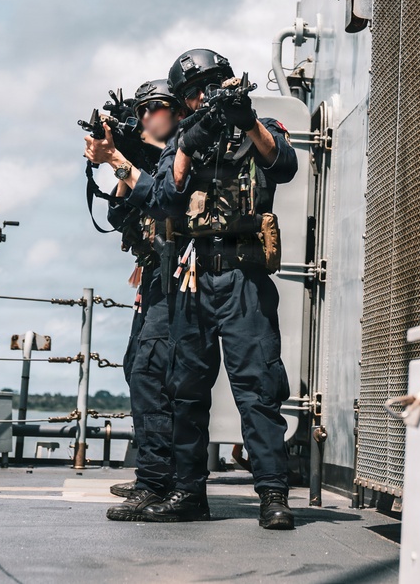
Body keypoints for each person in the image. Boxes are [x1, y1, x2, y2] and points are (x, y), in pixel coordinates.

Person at [127, 48, 298, 528]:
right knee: (186, 388)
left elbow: (282, 165)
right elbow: (162, 198)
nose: (207, 97)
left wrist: (245, 121)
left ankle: (272, 495)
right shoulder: (182, 138)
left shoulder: (257, 128)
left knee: (258, 386)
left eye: (213, 87)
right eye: (196, 93)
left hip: (243, 274)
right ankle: (188, 493)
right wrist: (188, 141)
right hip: (193, 275)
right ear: (185, 100)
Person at [84, 79, 188, 521]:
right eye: (141, 110)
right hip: (152, 277)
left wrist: (121, 159)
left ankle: (155, 481)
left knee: (150, 372)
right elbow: (118, 213)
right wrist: (117, 159)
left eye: (155, 108)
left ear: (178, 110)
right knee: (136, 367)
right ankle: (153, 472)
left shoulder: (188, 148)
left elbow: (169, 202)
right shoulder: (150, 158)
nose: (146, 117)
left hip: (178, 277)